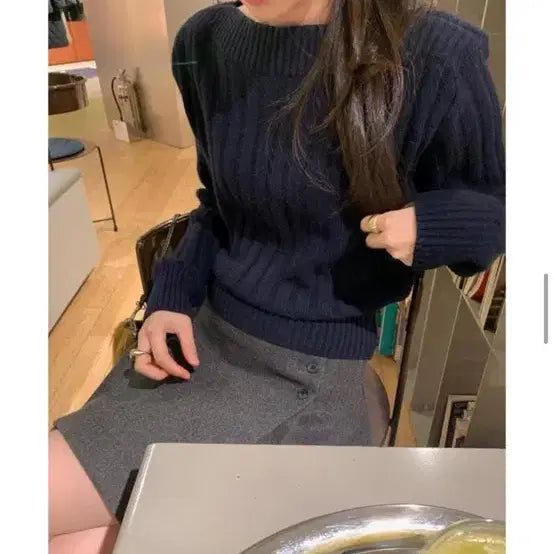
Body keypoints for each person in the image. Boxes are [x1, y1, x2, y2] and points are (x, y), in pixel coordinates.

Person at [49, 0, 505, 551]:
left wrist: (431, 225)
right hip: (200, 345)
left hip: (309, 371)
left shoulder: (434, 52)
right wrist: (171, 297)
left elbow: (494, 218)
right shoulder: (205, 40)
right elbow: (218, 205)